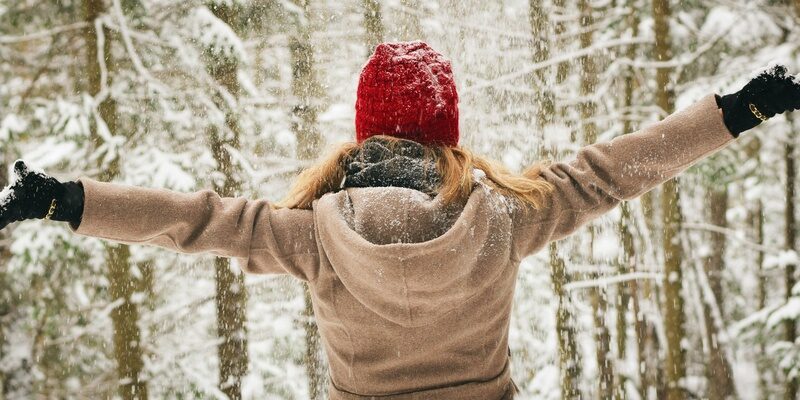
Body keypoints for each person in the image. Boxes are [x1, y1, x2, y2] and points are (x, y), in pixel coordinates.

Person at [1, 41, 799, 399]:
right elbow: (611, 172)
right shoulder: (505, 217)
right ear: (447, 131)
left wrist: (65, 200)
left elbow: (197, 220)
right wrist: (737, 110)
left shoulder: (313, 235)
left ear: (362, 132)